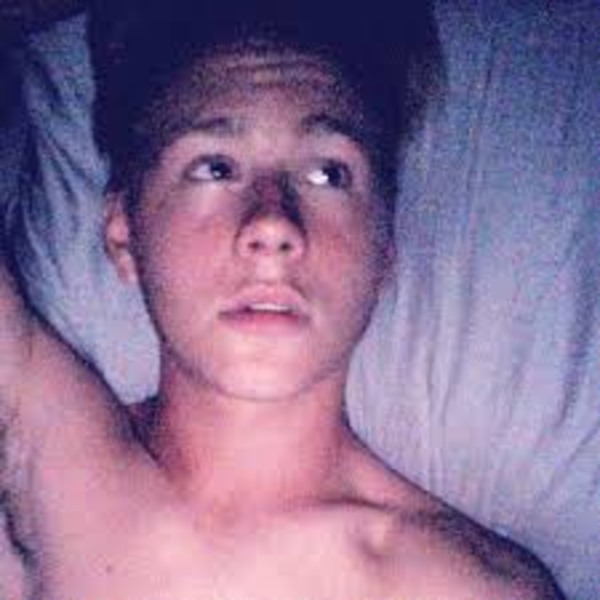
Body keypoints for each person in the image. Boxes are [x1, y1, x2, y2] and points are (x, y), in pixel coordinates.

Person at [0, 0, 565, 597]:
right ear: (124, 234)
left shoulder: (470, 587)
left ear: (384, 252)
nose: (272, 225)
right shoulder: (40, 455)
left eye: (328, 174)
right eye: (215, 168)